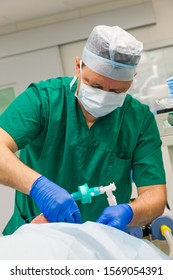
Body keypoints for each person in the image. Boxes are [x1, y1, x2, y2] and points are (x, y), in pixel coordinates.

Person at [0, 25, 166, 236]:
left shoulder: (138, 120)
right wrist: (39, 187)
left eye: (116, 91)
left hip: (101, 243)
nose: (104, 96)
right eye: (95, 86)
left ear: (132, 79)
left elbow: (154, 194)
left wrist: (129, 211)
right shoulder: (44, 100)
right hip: (35, 237)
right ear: (78, 67)